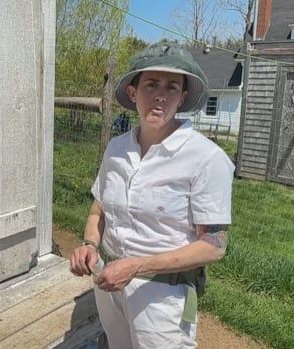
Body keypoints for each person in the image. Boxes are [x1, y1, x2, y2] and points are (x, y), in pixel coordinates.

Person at [69, 42, 235, 349]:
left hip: (163, 298)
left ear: (183, 97)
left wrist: (136, 266)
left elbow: (214, 246)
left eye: (172, 87)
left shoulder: (205, 158)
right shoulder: (117, 149)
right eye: (150, 84)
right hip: (109, 284)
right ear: (133, 93)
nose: (160, 94)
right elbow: (97, 212)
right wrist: (90, 244)